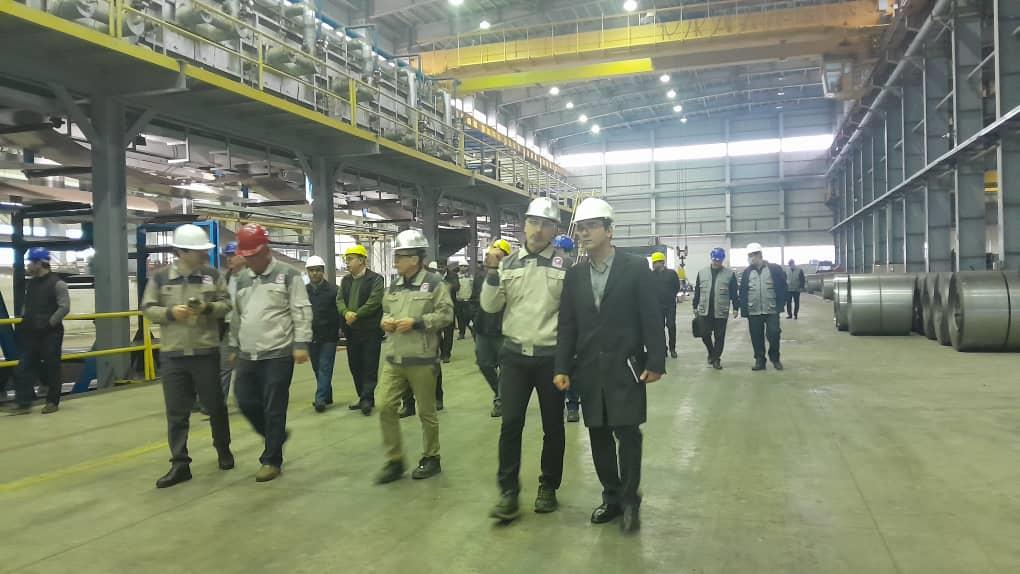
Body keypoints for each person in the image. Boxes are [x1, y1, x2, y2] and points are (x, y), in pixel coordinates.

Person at [554, 197, 666, 535]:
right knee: (598, 433)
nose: (584, 233)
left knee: (628, 433)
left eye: (592, 226)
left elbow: (651, 316)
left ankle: (630, 500)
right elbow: (567, 325)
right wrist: (562, 366)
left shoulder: (635, 268)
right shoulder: (575, 275)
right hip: (589, 368)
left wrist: (656, 360)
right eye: (581, 228)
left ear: (609, 230)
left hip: (626, 366)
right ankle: (612, 497)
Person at [481, 197, 571, 522]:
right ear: (524, 225)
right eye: (534, 222)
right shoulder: (508, 264)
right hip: (515, 357)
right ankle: (508, 492)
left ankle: (548, 487)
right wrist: (492, 271)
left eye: (546, 224)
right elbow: (491, 306)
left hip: (550, 358)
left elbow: (572, 318)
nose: (538, 229)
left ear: (555, 230)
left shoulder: (566, 266)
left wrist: (567, 361)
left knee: (553, 427)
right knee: (510, 425)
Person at [141, 224, 233, 488]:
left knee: (215, 406)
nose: (205, 254)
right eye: (199, 250)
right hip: (174, 355)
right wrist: (170, 313)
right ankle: (180, 464)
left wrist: (207, 308)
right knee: (176, 412)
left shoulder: (212, 275)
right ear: (181, 252)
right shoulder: (160, 278)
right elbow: (147, 307)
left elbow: (227, 304)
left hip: (205, 352)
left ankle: (223, 449)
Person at [227, 223, 312, 482]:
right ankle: (276, 436)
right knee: (244, 400)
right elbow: (236, 315)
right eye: (247, 256)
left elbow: (301, 310)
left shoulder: (288, 274)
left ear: (266, 250)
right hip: (248, 353)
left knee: (274, 407)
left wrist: (301, 344)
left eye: (254, 256)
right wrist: (233, 345)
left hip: (278, 353)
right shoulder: (242, 279)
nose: (251, 261)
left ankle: (271, 459)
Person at [374, 229, 454, 484]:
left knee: (426, 412)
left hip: (422, 359)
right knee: (385, 406)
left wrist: (417, 323)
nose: (395, 260)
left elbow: (446, 315)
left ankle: (432, 457)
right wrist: (385, 322)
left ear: (415, 259)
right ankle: (395, 459)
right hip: (394, 358)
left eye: (400, 256)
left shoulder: (435, 283)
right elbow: (386, 311)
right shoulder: (394, 284)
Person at [9, 247, 70, 415]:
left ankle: (52, 402)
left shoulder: (58, 284)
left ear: (39, 263)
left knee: (52, 367)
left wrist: (49, 323)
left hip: (51, 333)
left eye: (31, 262)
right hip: (32, 333)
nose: (28, 266)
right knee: (23, 367)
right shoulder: (32, 283)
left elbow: (64, 307)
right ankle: (23, 404)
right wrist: (25, 321)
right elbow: (27, 305)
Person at [336, 244, 385, 416]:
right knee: (355, 366)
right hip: (352, 331)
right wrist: (346, 312)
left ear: (362, 260)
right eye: (346, 259)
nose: (347, 263)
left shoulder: (376, 279)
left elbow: (374, 301)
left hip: (370, 331)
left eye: (350, 259)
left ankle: (367, 399)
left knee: (369, 365)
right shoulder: (345, 281)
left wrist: (356, 314)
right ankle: (362, 396)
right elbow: (339, 300)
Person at [474, 239, 510, 418]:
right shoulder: (481, 276)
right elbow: (475, 299)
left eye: (497, 253)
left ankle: (501, 401)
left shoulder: (509, 277)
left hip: (502, 329)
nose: (492, 256)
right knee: (484, 363)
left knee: (505, 367)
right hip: (483, 328)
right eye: (490, 253)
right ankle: (501, 393)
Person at [739, 242, 788, 372]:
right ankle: (760, 360)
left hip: (771, 309)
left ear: (759, 255)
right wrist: (744, 310)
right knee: (756, 336)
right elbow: (743, 292)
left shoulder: (774, 269)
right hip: (753, 310)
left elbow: (783, 286)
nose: (750, 258)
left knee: (774, 333)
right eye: (749, 255)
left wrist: (782, 303)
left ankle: (775, 358)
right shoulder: (746, 273)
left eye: (752, 255)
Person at [692, 248, 739, 370]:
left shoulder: (729, 274)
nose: (716, 262)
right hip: (705, 309)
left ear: (722, 259)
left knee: (719, 336)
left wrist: (736, 307)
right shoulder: (702, 273)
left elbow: (734, 292)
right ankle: (711, 352)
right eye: (715, 260)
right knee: (704, 333)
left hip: (721, 310)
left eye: (719, 260)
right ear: (711, 258)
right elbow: (697, 290)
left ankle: (716, 359)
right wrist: (694, 305)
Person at [305, 255, 340, 413]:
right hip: (311, 336)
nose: (315, 273)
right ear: (307, 272)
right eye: (311, 270)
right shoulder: (303, 291)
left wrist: (340, 329)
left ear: (323, 271)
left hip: (329, 336)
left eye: (318, 270)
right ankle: (327, 395)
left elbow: (339, 312)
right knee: (317, 368)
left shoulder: (334, 290)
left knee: (325, 366)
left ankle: (319, 399)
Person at [552, 234, 581, 422]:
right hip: (567, 323)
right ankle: (572, 406)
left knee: (563, 366)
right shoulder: (575, 267)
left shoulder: (561, 264)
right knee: (569, 366)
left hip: (558, 323)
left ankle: (568, 405)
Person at [219, 242, 245, 400]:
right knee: (224, 366)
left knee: (247, 368)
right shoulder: (225, 278)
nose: (229, 259)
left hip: (248, 329)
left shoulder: (252, 277)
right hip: (229, 328)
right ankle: (219, 404)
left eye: (232, 255)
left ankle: (248, 400)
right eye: (227, 255)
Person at [650, 251, 682, 359]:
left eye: (657, 262)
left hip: (670, 305)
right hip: (656, 306)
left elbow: (677, 287)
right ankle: (663, 349)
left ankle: (672, 349)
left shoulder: (672, 274)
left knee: (671, 326)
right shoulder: (651, 275)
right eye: (654, 263)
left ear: (662, 262)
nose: (655, 265)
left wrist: (671, 296)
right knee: (659, 328)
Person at [439, 259, 460, 362]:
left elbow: (456, 287)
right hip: (436, 308)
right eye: (438, 267)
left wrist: (444, 285)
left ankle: (446, 354)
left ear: (446, 266)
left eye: (442, 267)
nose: (440, 269)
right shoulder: (433, 276)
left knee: (448, 332)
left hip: (449, 307)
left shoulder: (453, 276)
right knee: (436, 332)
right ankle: (442, 350)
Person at [453, 258, 474, 340]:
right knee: (460, 318)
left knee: (468, 317)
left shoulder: (470, 277)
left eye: (465, 266)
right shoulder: (455, 276)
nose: (463, 268)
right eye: (462, 266)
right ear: (459, 267)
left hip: (468, 300)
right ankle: (461, 333)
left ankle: (472, 330)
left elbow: (473, 287)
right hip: (459, 301)